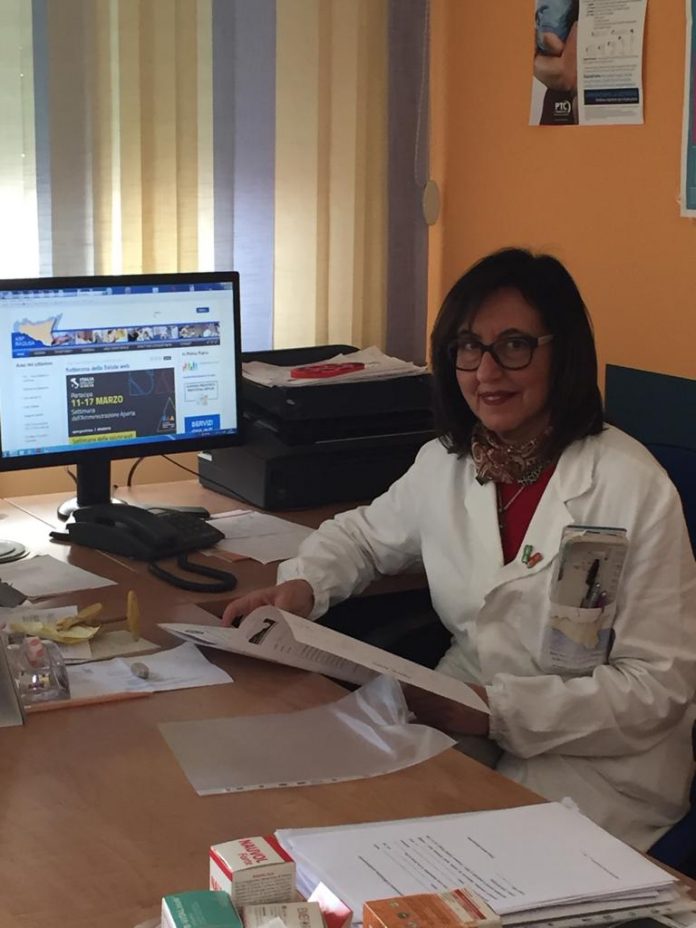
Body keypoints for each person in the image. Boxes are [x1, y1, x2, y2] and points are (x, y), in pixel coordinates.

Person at [222, 248, 696, 852]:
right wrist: (304, 586)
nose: (486, 371)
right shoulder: (447, 463)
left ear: (563, 354)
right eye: (469, 347)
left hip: (598, 757)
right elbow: (362, 537)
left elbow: (658, 688)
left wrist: (497, 712)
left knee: (471, 869)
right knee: (346, 817)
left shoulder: (631, 485)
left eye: (515, 345)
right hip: (464, 704)